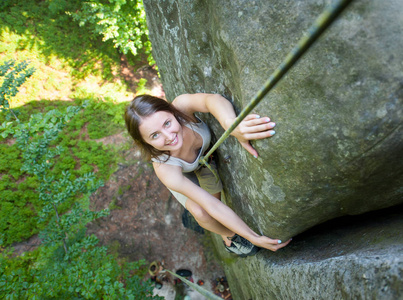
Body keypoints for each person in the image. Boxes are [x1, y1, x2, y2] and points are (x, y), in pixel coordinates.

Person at [124, 93, 291, 256]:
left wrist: (232, 125)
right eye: (155, 135)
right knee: (200, 212)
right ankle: (229, 235)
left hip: (205, 160)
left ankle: (229, 231)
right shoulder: (164, 168)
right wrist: (253, 237)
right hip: (184, 174)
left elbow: (212, 100)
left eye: (167, 123)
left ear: (171, 112)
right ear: (145, 142)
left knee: (212, 203)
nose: (169, 137)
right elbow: (211, 205)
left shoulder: (181, 107)